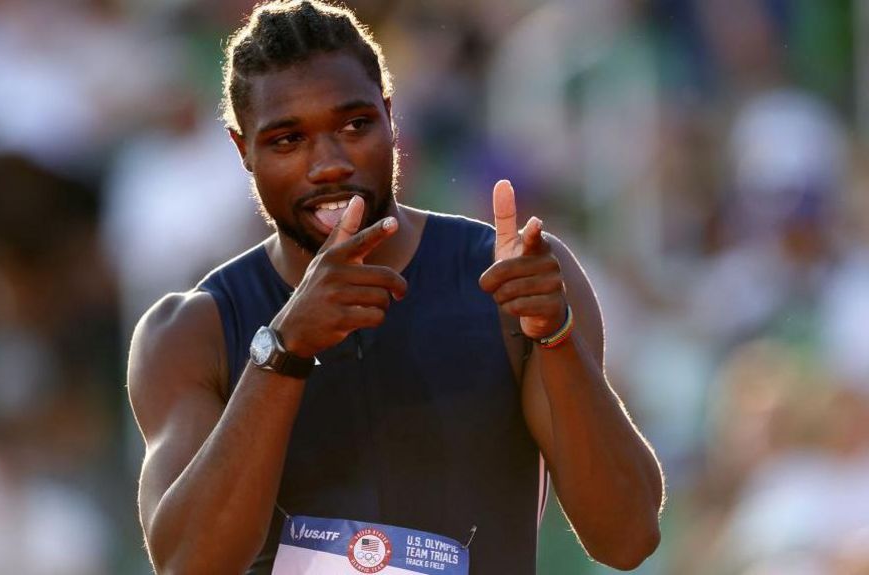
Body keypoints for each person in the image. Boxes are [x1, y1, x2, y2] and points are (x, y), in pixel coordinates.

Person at [127, 1, 664, 573]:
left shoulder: (515, 277)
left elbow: (627, 538)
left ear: (390, 119)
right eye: (288, 140)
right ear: (243, 152)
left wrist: (556, 337)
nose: (328, 164)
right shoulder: (191, 331)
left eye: (354, 125)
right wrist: (282, 353)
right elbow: (187, 563)